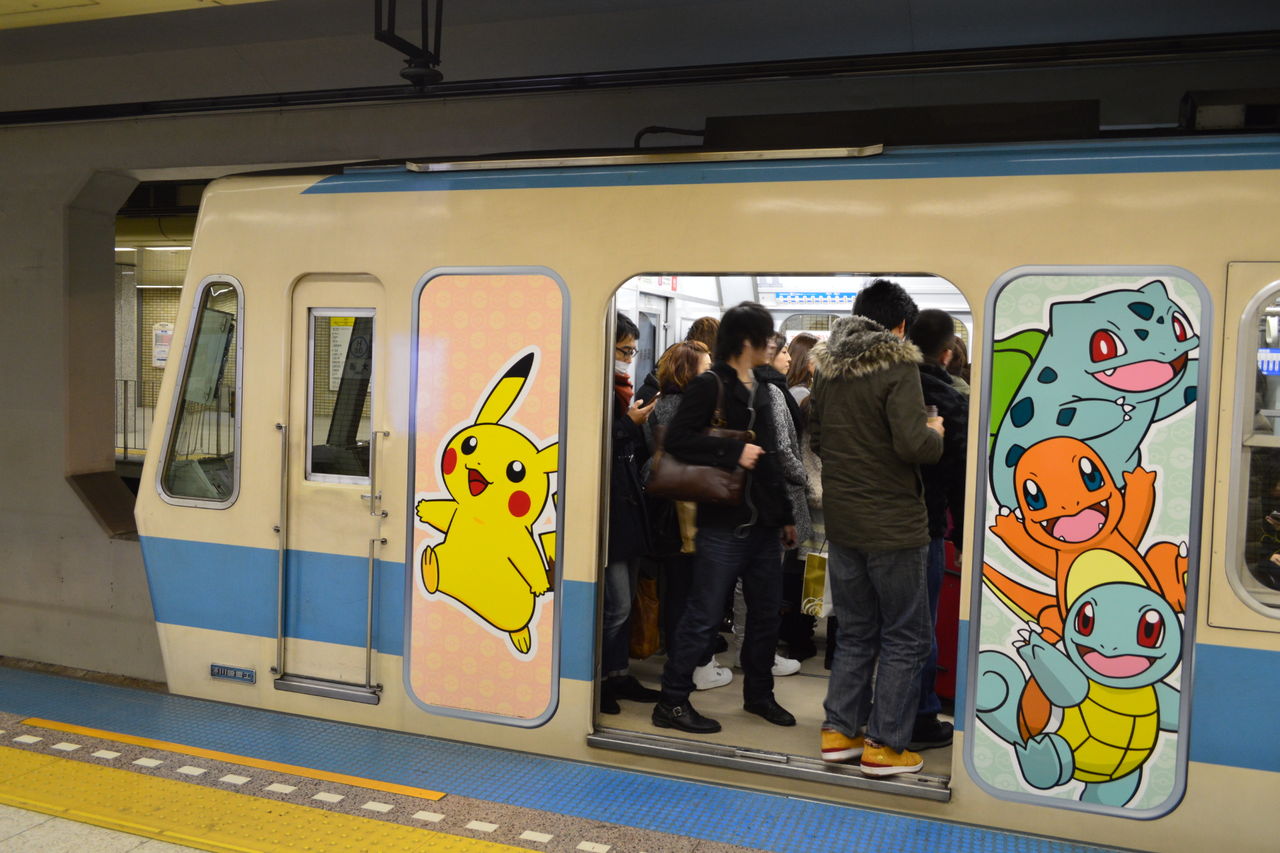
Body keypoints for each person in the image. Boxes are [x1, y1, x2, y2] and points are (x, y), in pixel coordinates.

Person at [810, 279, 943, 776]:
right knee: (907, 636)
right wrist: (935, 433)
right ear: (901, 325)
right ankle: (885, 745)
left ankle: (840, 732)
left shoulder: (827, 369)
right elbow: (913, 444)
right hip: (894, 523)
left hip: (844, 520)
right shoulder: (898, 364)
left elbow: (818, 438)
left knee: (856, 631)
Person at [654, 302, 798, 734]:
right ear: (746, 341)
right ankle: (672, 701)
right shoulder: (709, 385)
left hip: (764, 525)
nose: (772, 345)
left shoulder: (763, 387)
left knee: (766, 616)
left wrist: (786, 515)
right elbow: (676, 441)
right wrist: (733, 450)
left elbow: (769, 458)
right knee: (703, 616)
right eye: (766, 337)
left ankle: (759, 695)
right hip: (722, 524)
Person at [644, 340, 733, 691]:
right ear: (689, 372)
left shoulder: (657, 405)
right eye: (706, 366)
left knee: (677, 589)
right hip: (694, 507)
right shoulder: (695, 407)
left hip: (664, 507)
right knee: (699, 592)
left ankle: (678, 659)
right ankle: (697, 663)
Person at [907, 309, 970, 750]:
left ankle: (864, 714)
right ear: (947, 353)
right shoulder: (951, 399)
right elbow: (961, 474)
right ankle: (921, 717)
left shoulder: (883, 388)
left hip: (874, 521)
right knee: (919, 629)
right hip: (925, 522)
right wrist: (963, 535)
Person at [601, 313, 662, 714]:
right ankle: (599, 678)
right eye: (623, 351)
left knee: (626, 603)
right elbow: (592, 443)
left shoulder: (623, 392)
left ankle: (618, 672)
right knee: (617, 604)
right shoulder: (594, 390)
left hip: (627, 509)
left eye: (632, 352)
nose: (628, 360)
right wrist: (628, 424)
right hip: (607, 513)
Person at [780, 332, 821, 661]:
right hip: (815, 494)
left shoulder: (790, 393)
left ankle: (796, 630)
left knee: (799, 567)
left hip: (800, 492)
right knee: (814, 568)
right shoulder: (806, 397)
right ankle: (802, 633)